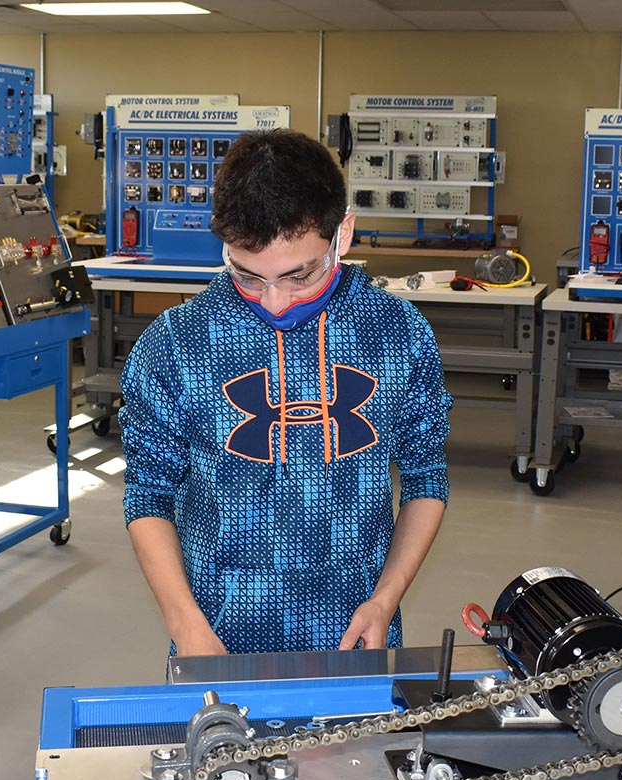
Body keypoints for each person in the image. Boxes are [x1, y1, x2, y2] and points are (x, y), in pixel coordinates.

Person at [121, 129, 452, 656]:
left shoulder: (398, 335)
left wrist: (386, 599)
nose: (274, 302)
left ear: (342, 235)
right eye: (248, 276)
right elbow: (148, 496)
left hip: (354, 633)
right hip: (214, 634)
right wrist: (185, 627)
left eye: (298, 275)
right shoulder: (176, 345)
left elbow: (425, 479)